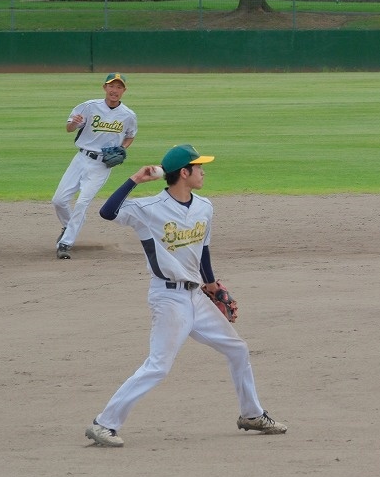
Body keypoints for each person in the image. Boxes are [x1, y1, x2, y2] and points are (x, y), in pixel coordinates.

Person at [85, 144, 286, 447]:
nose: (203, 172)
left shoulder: (204, 206)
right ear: (183, 172)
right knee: (158, 366)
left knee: (238, 350)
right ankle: (104, 423)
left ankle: (252, 414)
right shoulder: (148, 209)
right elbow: (107, 212)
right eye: (198, 167)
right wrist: (135, 179)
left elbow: (202, 251)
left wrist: (212, 285)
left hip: (196, 298)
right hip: (168, 298)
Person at [52, 73, 137, 260]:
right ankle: (68, 226)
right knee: (58, 200)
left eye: (119, 87)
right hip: (80, 159)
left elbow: (130, 135)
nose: (114, 90)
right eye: (111, 86)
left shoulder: (128, 115)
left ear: (124, 90)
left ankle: (65, 243)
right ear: (105, 88)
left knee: (82, 203)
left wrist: (123, 148)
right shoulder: (89, 106)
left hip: (102, 165)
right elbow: (69, 128)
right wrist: (73, 124)